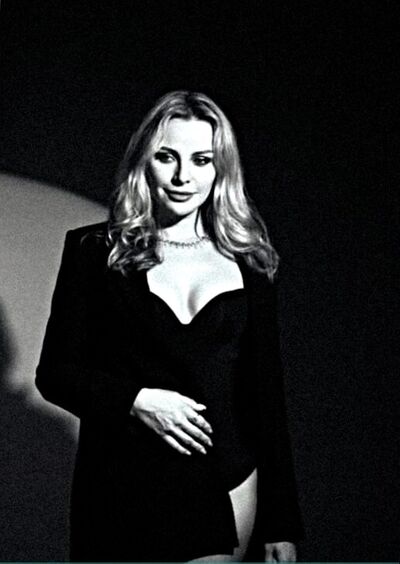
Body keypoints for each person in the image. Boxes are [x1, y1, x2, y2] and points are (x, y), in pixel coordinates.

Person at [36, 90, 303, 562]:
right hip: (121, 484)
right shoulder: (94, 252)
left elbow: (265, 398)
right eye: (167, 157)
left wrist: (281, 520)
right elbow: (55, 374)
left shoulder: (251, 264)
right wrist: (137, 400)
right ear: (144, 161)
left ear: (221, 169)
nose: (183, 177)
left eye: (201, 160)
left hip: (226, 480)